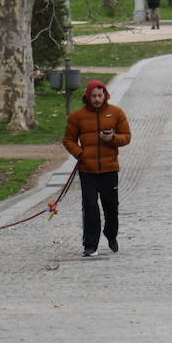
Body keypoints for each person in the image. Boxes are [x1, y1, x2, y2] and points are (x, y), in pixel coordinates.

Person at [61, 80, 132, 257]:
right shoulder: (77, 117)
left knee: (111, 207)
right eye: (94, 96)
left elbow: (127, 137)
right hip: (87, 170)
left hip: (109, 169)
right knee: (90, 207)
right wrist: (80, 153)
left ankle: (111, 234)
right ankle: (90, 244)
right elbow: (68, 140)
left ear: (105, 95)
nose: (97, 99)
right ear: (88, 96)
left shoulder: (116, 113)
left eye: (100, 96)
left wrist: (112, 138)